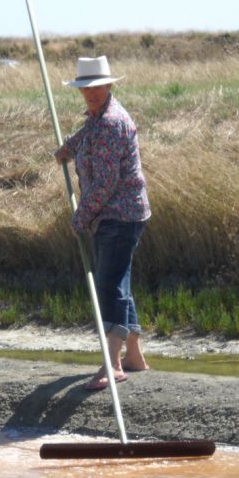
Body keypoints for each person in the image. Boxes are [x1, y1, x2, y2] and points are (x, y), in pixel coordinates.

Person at [54, 56, 151, 391]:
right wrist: (68, 148)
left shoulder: (111, 122)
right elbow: (86, 136)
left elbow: (106, 183)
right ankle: (135, 356)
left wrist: (81, 218)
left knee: (110, 285)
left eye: (97, 87)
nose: (91, 93)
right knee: (118, 279)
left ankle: (113, 363)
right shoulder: (98, 118)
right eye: (86, 89)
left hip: (120, 213)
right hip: (115, 213)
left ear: (109, 86)